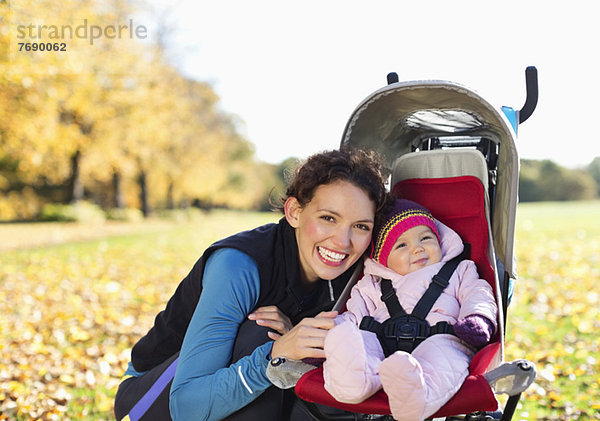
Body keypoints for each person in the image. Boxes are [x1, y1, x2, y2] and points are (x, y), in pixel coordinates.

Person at [113, 149, 389, 421]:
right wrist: (275, 355)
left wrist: (293, 342)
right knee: (264, 333)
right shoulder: (238, 265)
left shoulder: (356, 274)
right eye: (328, 218)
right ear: (294, 212)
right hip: (149, 401)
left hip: (246, 398)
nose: (343, 242)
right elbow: (185, 407)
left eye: (361, 226)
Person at [323, 199, 498, 421]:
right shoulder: (373, 283)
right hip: (380, 342)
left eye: (426, 238)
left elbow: (478, 294)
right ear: (384, 259)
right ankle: (353, 381)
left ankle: (417, 394)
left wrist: (478, 318)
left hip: (441, 337)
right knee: (359, 341)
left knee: (442, 358)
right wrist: (329, 337)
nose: (417, 248)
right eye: (401, 245)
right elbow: (353, 315)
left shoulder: (459, 270)